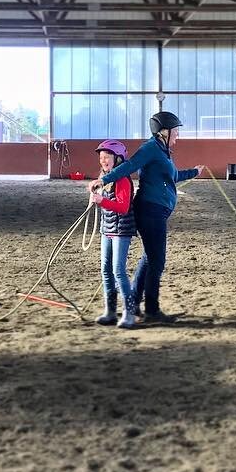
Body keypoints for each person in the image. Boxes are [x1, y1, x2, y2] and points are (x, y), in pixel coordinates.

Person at [90, 111, 199, 325]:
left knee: (150, 257)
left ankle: (136, 303)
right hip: (150, 210)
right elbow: (129, 166)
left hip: (158, 210)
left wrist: (193, 172)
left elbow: (173, 176)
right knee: (157, 261)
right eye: (175, 131)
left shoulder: (164, 151)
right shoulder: (150, 148)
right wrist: (104, 180)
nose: (177, 135)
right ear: (164, 132)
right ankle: (151, 309)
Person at [90, 139, 137, 330]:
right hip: (107, 228)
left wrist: (102, 201)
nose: (104, 160)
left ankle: (129, 312)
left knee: (118, 270)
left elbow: (123, 207)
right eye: (101, 157)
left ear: (117, 158)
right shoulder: (105, 177)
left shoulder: (123, 179)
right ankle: (110, 310)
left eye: (107, 157)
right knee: (105, 270)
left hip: (121, 230)